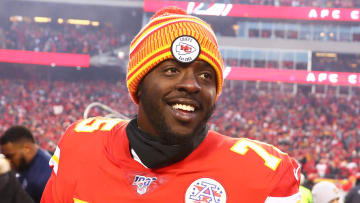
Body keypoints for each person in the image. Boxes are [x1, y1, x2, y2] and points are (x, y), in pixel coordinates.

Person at [41, 7, 301, 202]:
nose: (192, 85)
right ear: (139, 84)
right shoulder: (81, 146)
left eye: (205, 75)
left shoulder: (263, 174)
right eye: (171, 70)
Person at [0, 126, 52, 202]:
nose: (8, 161)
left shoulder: (43, 179)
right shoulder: (26, 164)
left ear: (27, 148)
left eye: (10, 156)